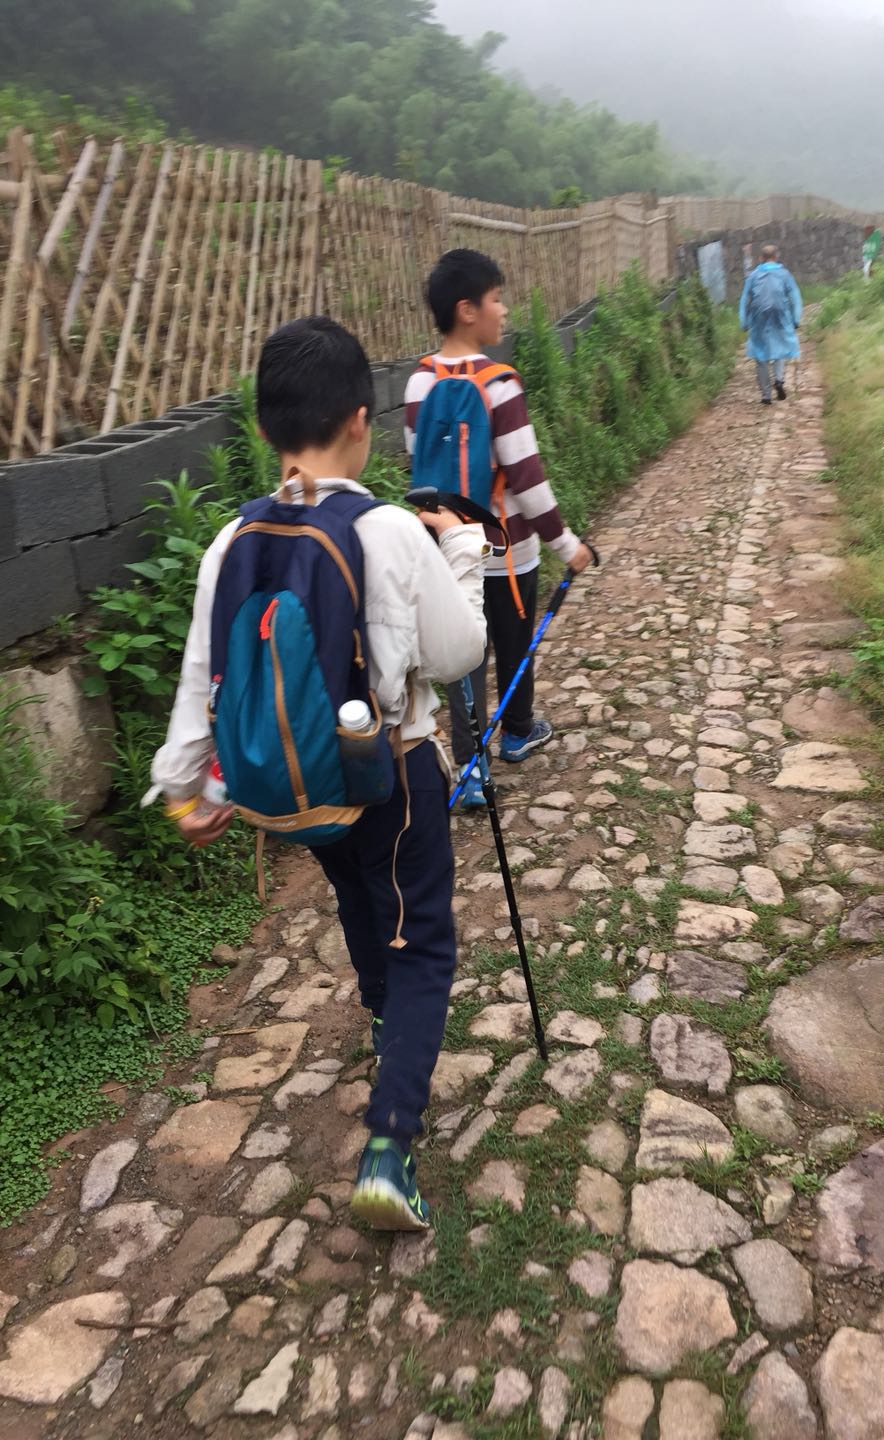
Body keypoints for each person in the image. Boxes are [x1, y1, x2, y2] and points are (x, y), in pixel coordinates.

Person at [151, 316, 488, 1231]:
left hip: (298, 794)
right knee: (422, 939)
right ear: (360, 419)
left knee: (357, 897)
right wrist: (463, 550)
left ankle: (384, 1025)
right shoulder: (388, 530)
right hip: (395, 772)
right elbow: (458, 654)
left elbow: (202, 678)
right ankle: (389, 1147)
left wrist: (188, 792)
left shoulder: (230, 541)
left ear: (265, 429)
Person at [405, 248, 593, 808]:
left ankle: (471, 771)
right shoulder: (501, 384)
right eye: (496, 298)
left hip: (448, 548)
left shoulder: (418, 382)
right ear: (468, 310)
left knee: (463, 659)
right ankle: (517, 731)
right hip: (508, 550)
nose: (504, 309)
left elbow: (419, 465)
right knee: (514, 643)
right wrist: (567, 544)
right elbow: (527, 479)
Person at [739, 244, 803, 406]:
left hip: (759, 317)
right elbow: (795, 297)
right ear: (776, 257)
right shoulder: (784, 274)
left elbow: (745, 300)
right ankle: (779, 380)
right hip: (780, 316)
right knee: (780, 348)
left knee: (760, 356)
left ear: (761, 258)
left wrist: (744, 321)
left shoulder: (753, 276)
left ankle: (766, 395)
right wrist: (796, 319)